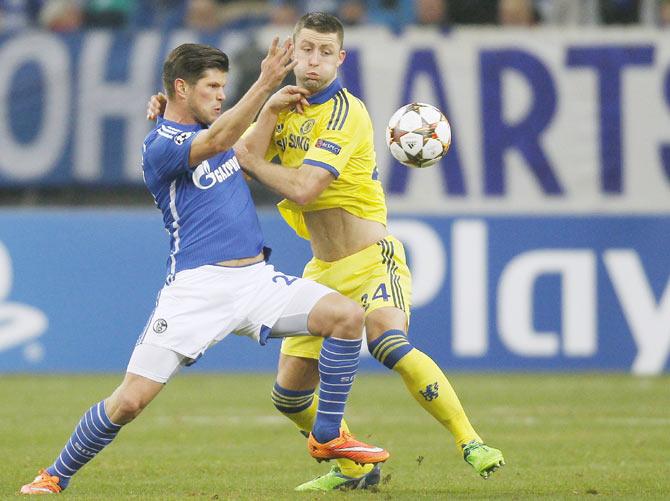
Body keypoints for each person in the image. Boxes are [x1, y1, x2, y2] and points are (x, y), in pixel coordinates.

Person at [146, 14, 505, 490]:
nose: (313, 60)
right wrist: (176, 113)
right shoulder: (283, 108)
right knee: (289, 395)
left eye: (324, 52)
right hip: (323, 267)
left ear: (340, 59)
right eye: (306, 49)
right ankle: (358, 468)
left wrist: (252, 155)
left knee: (387, 341)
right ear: (293, 53)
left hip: (373, 257)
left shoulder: (346, 112)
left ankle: (470, 441)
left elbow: (306, 188)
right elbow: (228, 154)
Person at [19, 39, 388, 495]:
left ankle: (329, 435)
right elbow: (217, 140)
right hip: (196, 290)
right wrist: (267, 81)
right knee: (129, 402)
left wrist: (270, 106)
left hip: (256, 281)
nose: (219, 95)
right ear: (180, 88)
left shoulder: (214, 130)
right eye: (212, 86)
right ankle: (53, 476)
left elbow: (235, 141)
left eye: (223, 87)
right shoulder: (161, 146)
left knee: (347, 317)